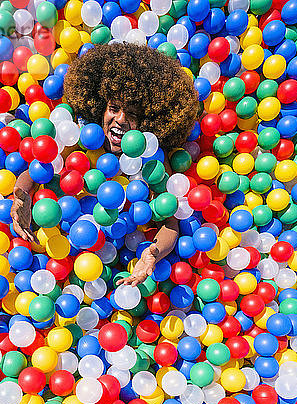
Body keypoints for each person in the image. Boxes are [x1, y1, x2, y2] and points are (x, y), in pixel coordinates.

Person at [11, 42, 199, 282]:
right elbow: (38, 169)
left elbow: (172, 222)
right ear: (100, 108)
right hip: (61, 255)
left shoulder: (152, 161)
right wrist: (21, 195)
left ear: (147, 123)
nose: (120, 119)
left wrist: (151, 254)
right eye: (114, 108)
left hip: (117, 263)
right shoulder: (81, 138)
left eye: (132, 115)